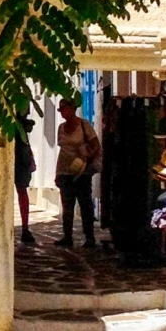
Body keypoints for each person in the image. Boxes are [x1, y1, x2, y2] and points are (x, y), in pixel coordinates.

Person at [55, 95, 101, 247]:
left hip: (81, 171)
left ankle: (89, 237)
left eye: (64, 109)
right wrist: (57, 174)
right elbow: (62, 152)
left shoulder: (84, 125)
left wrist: (85, 156)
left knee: (85, 204)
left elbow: (95, 145)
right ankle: (67, 236)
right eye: (61, 110)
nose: (62, 112)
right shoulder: (61, 127)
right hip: (64, 171)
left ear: (72, 109)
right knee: (67, 206)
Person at [13, 123, 36, 245]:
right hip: (22, 158)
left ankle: (25, 227)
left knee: (22, 192)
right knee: (22, 192)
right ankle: (25, 227)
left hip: (21, 159)